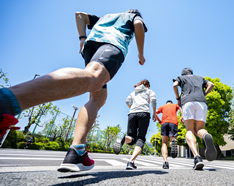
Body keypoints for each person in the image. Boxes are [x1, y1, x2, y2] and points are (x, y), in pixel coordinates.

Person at [0, 9, 148, 172]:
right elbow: (138, 25)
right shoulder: (132, 15)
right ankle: (7, 102)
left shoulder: (104, 18)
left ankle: (77, 151)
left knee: (98, 97)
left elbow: (79, 15)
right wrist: (141, 54)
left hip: (91, 46)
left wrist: (82, 38)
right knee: (94, 77)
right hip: (113, 44)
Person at [173, 68, 217, 170]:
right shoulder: (200, 78)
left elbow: (174, 85)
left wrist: (178, 98)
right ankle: (205, 135)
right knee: (200, 130)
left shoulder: (181, 78)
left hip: (187, 102)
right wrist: (203, 94)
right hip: (201, 103)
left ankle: (197, 157)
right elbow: (211, 85)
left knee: (190, 130)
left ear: (183, 74)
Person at [113, 79, 156, 170]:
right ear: (147, 85)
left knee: (131, 138)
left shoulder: (133, 92)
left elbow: (127, 101)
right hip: (144, 113)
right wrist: (154, 113)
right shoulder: (149, 91)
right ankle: (131, 162)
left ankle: (123, 138)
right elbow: (154, 100)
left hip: (132, 114)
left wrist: (131, 108)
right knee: (141, 138)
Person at [156, 100, 181, 169]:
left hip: (164, 123)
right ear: (171, 103)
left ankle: (165, 162)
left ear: (166, 103)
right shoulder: (175, 105)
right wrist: (182, 116)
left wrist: (159, 121)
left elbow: (155, 113)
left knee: (164, 143)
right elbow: (180, 106)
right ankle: (172, 143)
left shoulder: (163, 106)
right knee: (172, 140)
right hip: (173, 123)